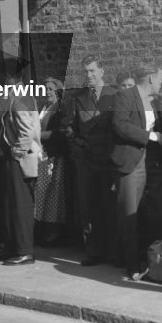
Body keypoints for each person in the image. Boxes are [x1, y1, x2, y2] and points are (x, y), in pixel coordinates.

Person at [111, 66, 162, 276]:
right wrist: (151, 137)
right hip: (132, 161)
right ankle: (132, 264)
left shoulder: (154, 101)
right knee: (129, 214)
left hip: (153, 162)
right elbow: (120, 125)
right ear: (152, 78)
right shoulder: (125, 96)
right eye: (160, 79)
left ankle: (158, 262)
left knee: (157, 211)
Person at [61, 54, 118, 267]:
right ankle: (93, 250)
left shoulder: (115, 95)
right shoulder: (77, 98)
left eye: (93, 71)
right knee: (88, 206)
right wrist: (77, 146)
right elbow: (67, 127)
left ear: (102, 72)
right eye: (86, 71)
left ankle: (113, 250)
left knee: (109, 205)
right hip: (86, 160)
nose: (89, 75)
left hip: (109, 159)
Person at [0, 60, 42, 266]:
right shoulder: (17, 97)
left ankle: (25, 250)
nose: (1, 81)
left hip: (20, 161)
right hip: (14, 160)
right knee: (10, 205)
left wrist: (16, 153)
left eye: (4, 78)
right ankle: (11, 246)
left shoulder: (20, 99)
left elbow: (27, 132)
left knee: (21, 207)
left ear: (12, 78)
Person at [34, 78, 71, 245]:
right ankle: (43, 231)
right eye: (46, 89)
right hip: (41, 156)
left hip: (53, 156)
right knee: (42, 195)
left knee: (53, 196)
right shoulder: (44, 107)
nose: (48, 92)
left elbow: (60, 132)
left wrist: (41, 135)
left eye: (51, 89)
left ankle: (53, 233)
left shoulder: (60, 109)